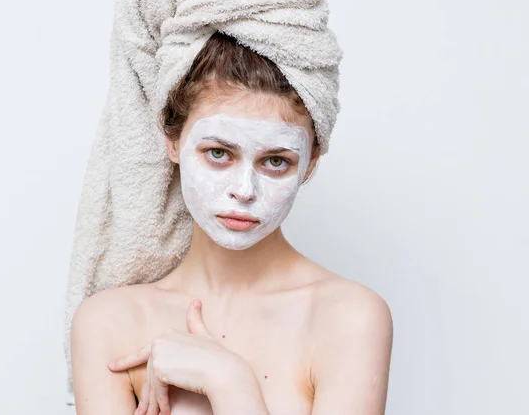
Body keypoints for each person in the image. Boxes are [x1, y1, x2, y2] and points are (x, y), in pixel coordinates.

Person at [70, 31, 393, 415]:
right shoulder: (110, 323)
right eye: (219, 153)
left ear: (310, 163)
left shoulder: (349, 318)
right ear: (173, 142)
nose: (244, 191)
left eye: (276, 161)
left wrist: (229, 382)